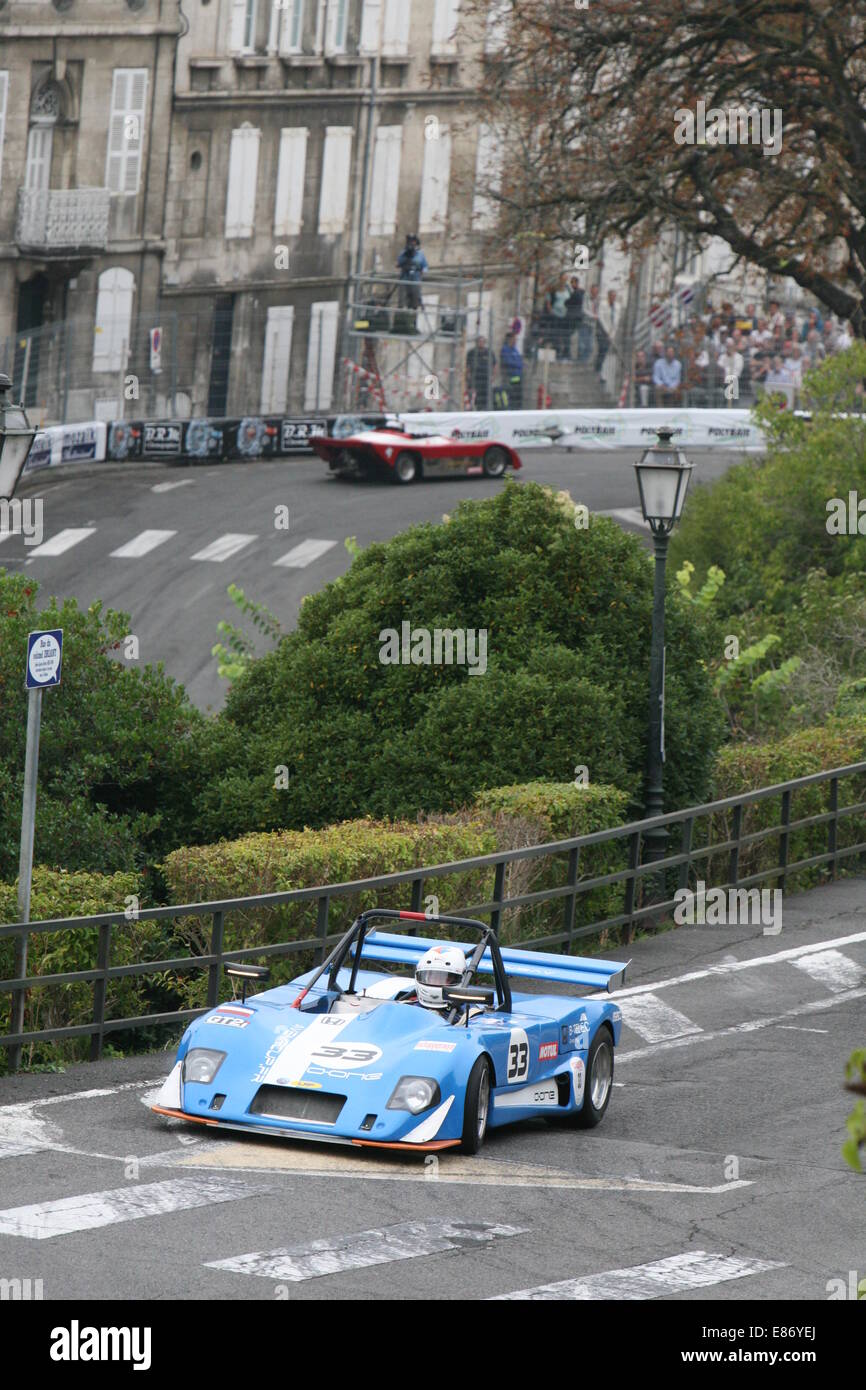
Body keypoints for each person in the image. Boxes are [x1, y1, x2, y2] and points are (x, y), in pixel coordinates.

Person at [415, 945, 467, 1010]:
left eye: (444, 979)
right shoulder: (408, 1008)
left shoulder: (469, 1013)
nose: (436, 982)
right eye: (432, 977)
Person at [397, 233, 428, 310]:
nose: (411, 243)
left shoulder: (420, 254)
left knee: (415, 300)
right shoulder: (403, 253)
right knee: (402, 299)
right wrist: (406, 255)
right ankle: (402, 313)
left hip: (415, 279)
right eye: (409, 241)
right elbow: (399, 262)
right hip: (405, 278)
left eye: (413, 241)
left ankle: (413, 312)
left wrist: (423, 271)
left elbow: (425, 266)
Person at [465, 336, 495, 409]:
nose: (481, 343)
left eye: (482, 342)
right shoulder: (471, 352)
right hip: (475, 378)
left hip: (485, 378)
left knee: (485, 396)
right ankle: (473, 409)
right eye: (479, 341)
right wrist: (467, 376)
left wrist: (493, 376)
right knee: (474, 397)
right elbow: (467, 366)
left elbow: (494, 364)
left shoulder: (489, 352)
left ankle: (484, 409)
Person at [500, 329, 524, 408]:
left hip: (519, 377)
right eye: (514, 339)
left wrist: (518, 364)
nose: (515, 341)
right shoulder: (505, 349)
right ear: (510, 339)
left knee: (518, 397)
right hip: (511, 377)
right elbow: (508, 362)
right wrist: (517, 364)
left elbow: (520, 361)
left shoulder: (515, 349)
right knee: (512, 396)